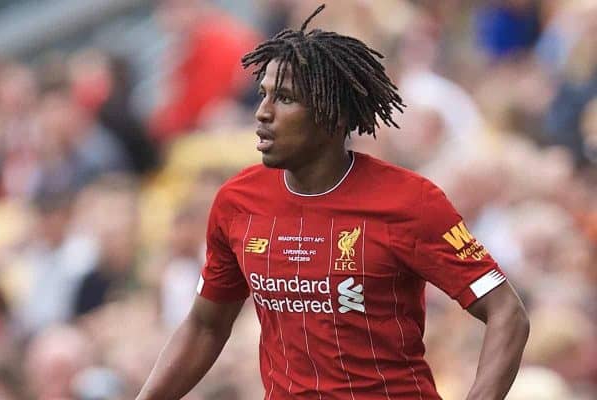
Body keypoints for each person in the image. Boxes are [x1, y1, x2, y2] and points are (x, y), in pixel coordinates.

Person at [136, 5, 530, 400]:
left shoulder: (411, 202)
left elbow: (505, 312)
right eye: (263, 94)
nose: (262, 113)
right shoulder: (238, 202)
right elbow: (206, 325)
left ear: (332, 115)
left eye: (285, 98)